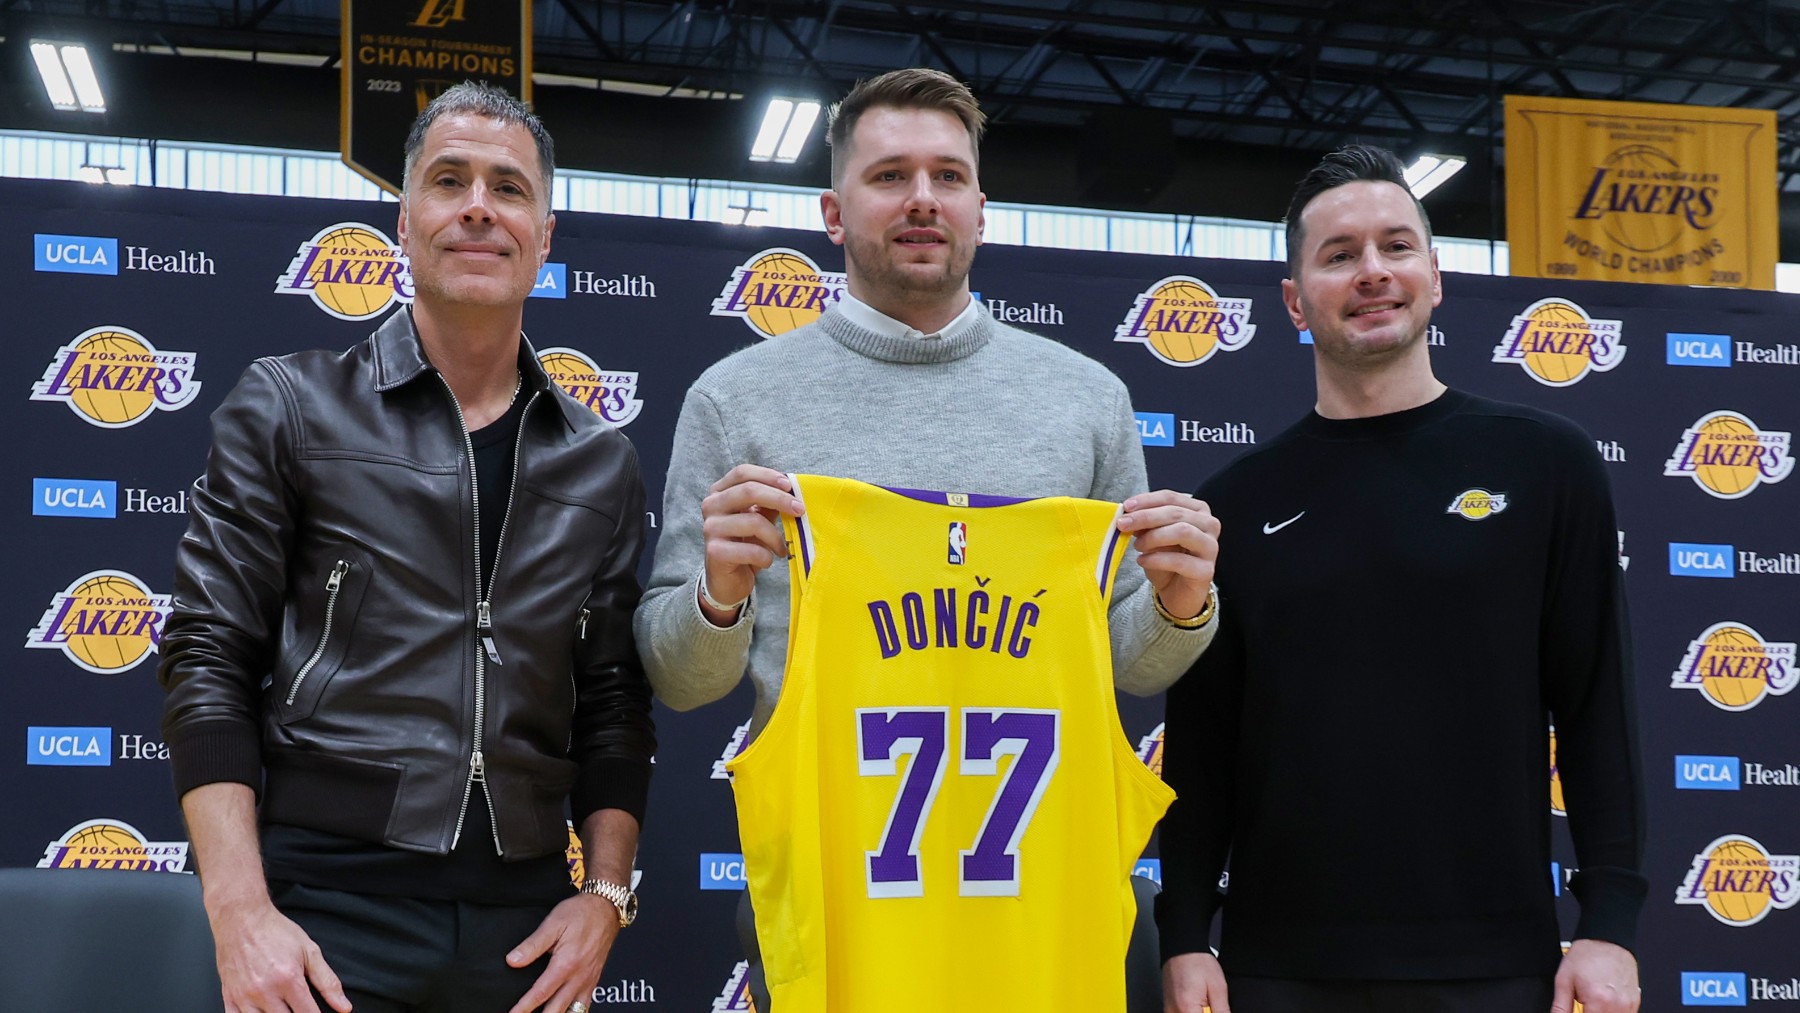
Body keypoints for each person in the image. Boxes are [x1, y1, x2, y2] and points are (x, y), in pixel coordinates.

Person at [159, 82, 653, 1013]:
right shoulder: (292, 406)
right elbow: (206, 652)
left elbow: (616, 703)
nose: (478, 205)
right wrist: (238, 912)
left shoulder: (602, 460)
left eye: (509, 188)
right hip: (324, 922)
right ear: (404, 221)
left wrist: (606, 896)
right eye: (449, 179)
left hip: (525, 936)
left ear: (545, 235)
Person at [1156, 144, 1645, 1013]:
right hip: (1278, 970)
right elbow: (1201, 752)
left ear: (1436, 275)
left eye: (1397, 246)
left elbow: (1596, 705)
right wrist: (1187, 934)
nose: (1373, 271)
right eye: (1340, 255)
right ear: (1295, 301)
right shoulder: (1232, 503)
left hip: (1495, 963)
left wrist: (1608, 923)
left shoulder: (1546, 463)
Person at [635, 65, 1220, 740]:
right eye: (889, 176)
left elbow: (1133, 665)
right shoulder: (733, 400)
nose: (923, 199)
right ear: (833, 213)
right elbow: (678, 680)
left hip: (1044, 842)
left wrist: (1179, 606)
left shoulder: (1091, 399)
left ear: (980, 210)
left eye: (948, 176)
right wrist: (717, 598)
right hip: (822, 839)